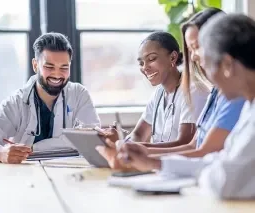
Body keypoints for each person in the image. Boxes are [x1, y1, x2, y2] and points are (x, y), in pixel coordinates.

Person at [96, 8, 244, 171]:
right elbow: (193, 145)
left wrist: (150, 159)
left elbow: (204, 151)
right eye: (191, 49)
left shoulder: (232, 96)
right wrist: (140, 150)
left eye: (197, 47)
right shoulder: (218, 94)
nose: (194, 56)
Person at [0, 32, 100, 164]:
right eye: (49, 67)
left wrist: (34, 148)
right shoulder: (15, 102)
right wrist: (0, 152)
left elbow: (91, 140)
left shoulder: (79, 94)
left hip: (70, 174)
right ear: (35, 65)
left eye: (64, 67)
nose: (57, 74)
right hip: (24, 175)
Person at [197, 13, 255, 199]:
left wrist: (206, 173)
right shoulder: (249, 105)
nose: (210, 79)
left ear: (227, 64)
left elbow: (223, 182)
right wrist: (158, 163)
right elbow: (224, 160)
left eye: (206, 66)